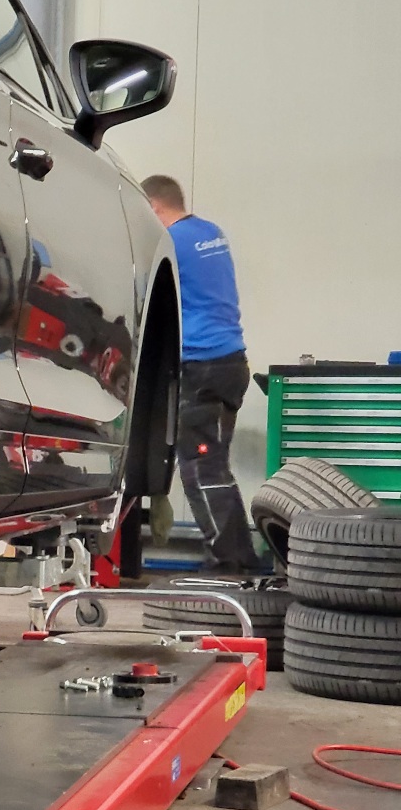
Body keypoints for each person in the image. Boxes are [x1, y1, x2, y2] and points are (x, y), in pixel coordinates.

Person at [142, 175, 265, 574]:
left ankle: (226, 563)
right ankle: (241, 558)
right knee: (215, 466)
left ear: (154, 207)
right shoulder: (211, 233)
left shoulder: (169, 240)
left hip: (201, 366)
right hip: (231, 363)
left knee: (200, 468)